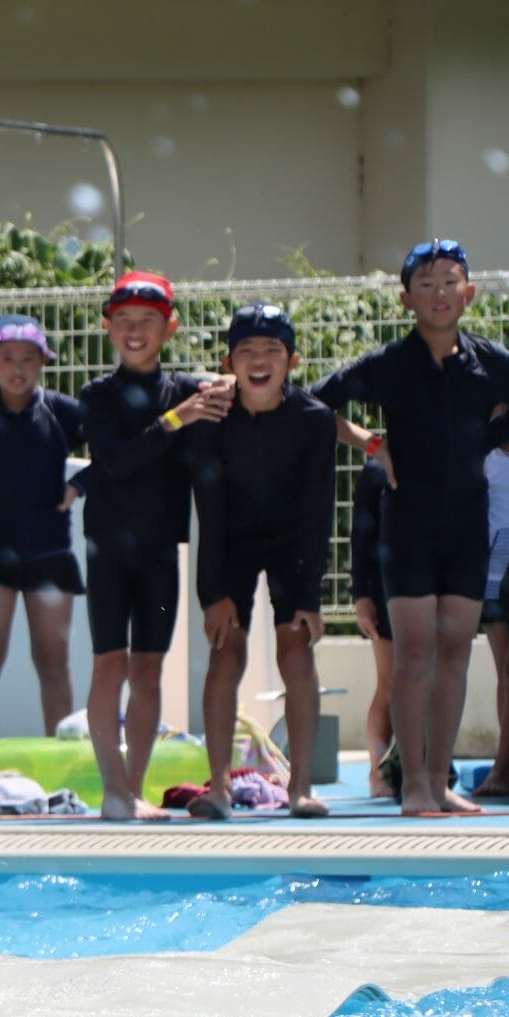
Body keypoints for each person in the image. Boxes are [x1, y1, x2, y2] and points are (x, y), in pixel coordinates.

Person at [309, 240, 509, 815]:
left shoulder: (491, 363)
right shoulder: (390, 364)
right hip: (410, 524)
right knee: (415, 654)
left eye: (450, 282)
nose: (439, 293)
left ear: (469, 293)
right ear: (406, 299)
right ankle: (414, 782)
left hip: (467, 524)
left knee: (455, 653)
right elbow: (315, 402)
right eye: (426, 284)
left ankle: (440, 781)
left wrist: (492, 437)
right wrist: (371, 443)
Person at [76, 272, 233, 820]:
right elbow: (116, 461)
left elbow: (238, 388)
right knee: (109, 665)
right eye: (123, 320)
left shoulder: (189, 389)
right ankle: (112, 790)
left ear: (171, 327)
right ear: (107, 327)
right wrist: (176, 419)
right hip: (109, 551)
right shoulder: (97, 395)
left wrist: (230, 381)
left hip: (161, 552)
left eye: (147, 320)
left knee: (148, 668)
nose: (134, 330)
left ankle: (133, 790)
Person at [187, 302, 336, 820]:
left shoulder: (314, 420)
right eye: (246, 349)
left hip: (292, 542)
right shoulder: (212, 416)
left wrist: (310, 596)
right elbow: (208, 507)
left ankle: (300, 787)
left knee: (296, 651)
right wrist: (212, 593)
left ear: (291, 361)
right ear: (228, 362)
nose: (258, 359)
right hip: (231, 540)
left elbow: (318, 511)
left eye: (272, 350)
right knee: (226, 651)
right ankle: (219, 789)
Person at [0, 314, 89, 744]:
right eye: (8, 357)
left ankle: (60, 756)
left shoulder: (61, 411)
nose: (18, 368)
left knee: (53, 664)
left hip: (50, 554)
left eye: (28, 358)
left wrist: (79, 485)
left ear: (43, 361)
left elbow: (117, 450)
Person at [350, 459, 396, 797]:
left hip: (429, 585)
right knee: (389, 681)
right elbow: (360, 537)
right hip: (384, 589)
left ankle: (425, 767)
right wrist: (361, 595)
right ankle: (377, 772)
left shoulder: (442, 456)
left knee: (432, 682)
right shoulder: (376, 471)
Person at [475, 449, 509, 798]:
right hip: (494, 572)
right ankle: (504, 762)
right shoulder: (486, 455)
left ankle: (502, 767)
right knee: (504, 674)